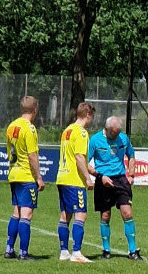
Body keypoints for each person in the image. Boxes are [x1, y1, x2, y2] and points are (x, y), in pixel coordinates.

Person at [87, 116, 141, 260]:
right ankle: (106, 250)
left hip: (121, 180)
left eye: (118, 133)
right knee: (105, 215)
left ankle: (133, 251)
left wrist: (131, 175)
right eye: (114, 133)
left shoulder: (123, 138)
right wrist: (99, 177)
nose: (117, 136)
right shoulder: (95, 140)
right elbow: (85, 163)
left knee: (127, 213)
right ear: (106, 129)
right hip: (103, 180)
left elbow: (131, 155)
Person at [4, 96, 44, 260]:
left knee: (17, 213)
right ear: (35, 110)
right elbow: (32, 155)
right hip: (26, 175)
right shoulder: (30, 128)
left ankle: (9, 249)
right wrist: (39, 177)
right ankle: (23, 253)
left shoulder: (11, 126)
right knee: (26, 214)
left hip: (14, 173)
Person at [56, 103, 96, 263]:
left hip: (62, 177)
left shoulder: (68, 130)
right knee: (81, 214)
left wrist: (93, 171)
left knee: (65, 215)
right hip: (74, 180)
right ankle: (77, 252)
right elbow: (79, 157)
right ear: (88, 114)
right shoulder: (82, 132)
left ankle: (64, 251)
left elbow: (74, 156)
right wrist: (87, 178)